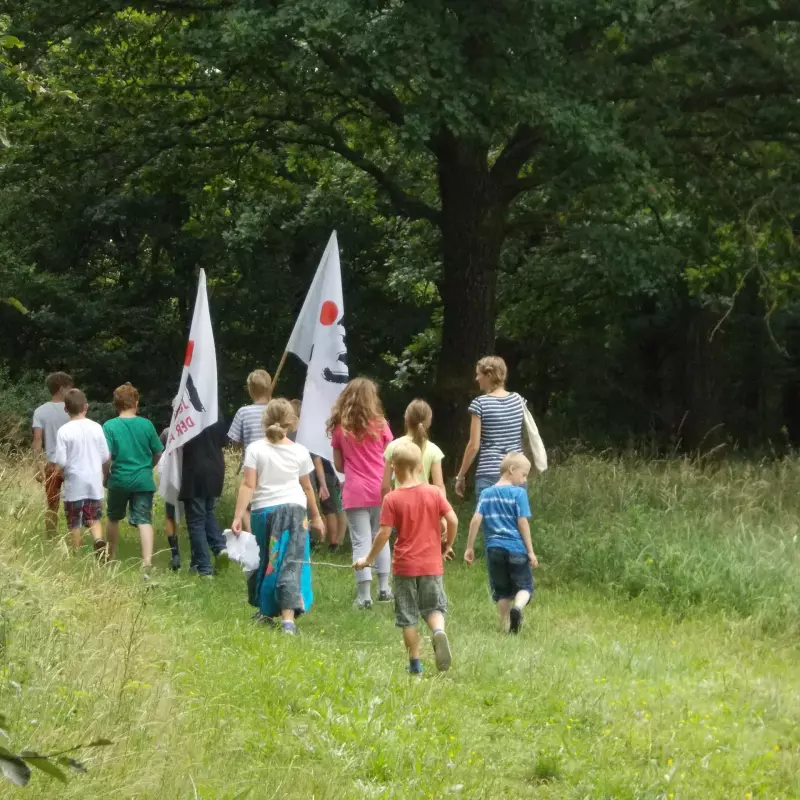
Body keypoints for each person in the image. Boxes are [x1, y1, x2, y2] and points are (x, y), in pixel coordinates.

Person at [354, 440, 458, 674]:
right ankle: (438, 632)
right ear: (421, 467)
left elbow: (383, 533)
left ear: (394, 470)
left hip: (404, 567)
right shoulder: (433, 492)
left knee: (408, 616)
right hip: (431, 564)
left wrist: (368, 559)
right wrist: (447, 543)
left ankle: (415, 664)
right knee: (434, 608)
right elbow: (453, 520)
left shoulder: (392, 498)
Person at [231, 399, 325, 634]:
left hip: (264, 513)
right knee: (291, 563)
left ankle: (264, 611)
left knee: (267, 562)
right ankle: (287, 621)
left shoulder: (255, 449)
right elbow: (307, 488)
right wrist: (317, 518)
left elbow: (248, 485)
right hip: (294, 512)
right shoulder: (300, 451)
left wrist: (238, 515)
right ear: (292, 423)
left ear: (265, 421)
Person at [329, 377, 393, 609]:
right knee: (381, 536)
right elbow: (390, 457)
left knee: (361, 542)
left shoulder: (340, 429)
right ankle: (385, 588)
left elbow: (338, 466)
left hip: (355, 490)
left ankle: (364, 596)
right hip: (381, 489)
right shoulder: (381, 424)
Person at [464, 452, 538, 634]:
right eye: (524, 474)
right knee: (525, 586)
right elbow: (522, 523)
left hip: (494, 549)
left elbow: (475, 520)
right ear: (512, 470)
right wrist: (530, 551)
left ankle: (505, 625)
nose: (525, 479)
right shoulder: (518, 494)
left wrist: (469, 547)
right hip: (516, 549)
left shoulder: (486, 493)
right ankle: (518, 608)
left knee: (502, 590)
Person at [103, 383, 164, 572]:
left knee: (113, 518)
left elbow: (106, 457)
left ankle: (110, 557)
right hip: (142, 480)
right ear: (136, 403)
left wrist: (106, 476)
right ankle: (147, 562)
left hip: (119, 479)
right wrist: (148, 467)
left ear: (116, 404)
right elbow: (158, 452)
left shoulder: (109, 426)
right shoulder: (146, 425)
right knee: (144, 520)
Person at [455, 356, 526, 503]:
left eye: (479, 374)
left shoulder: (480, 404)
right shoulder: (519, 401)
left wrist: (461, 476)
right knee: (516, 523)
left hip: (490, 475)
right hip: (517, 472)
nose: (476, 378)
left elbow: (474, 446)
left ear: (488, 375)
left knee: (492, 523)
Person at [53, 389, 110, 557]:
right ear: (86, 406)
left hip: (74, 483)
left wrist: (58, 471)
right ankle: (99, 540)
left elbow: (61, 461)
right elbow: (106, 455)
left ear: (65, 409)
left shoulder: (64, 431)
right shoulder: (97, 427)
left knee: (74, 520)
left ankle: (76, 552)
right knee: (94, 517)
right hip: (93, 481)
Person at [180, 411, 229, 577]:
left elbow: (178, 441)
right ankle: (220, 547)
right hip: (216, 467)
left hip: (194, 469)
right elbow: (224, 441)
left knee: (196, 521)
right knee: (207, 512)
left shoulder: (187, 412)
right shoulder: (216, 412)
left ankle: (204, 568)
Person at [228, 369, 273, 532]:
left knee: (247, 504)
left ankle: (252, 533)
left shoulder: (243, 412)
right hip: (274, 463)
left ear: (250, 390)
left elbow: (235, 442)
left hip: (251, 465)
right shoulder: (275, 411)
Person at [32, 371, 74, 537]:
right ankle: (74, 540)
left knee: (52, 505)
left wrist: (37, 465)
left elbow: (37, 441)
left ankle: (51, 539)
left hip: (51, 464)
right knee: (72, 504)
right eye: (70, 388)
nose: (72, 392)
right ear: (62, 389)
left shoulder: (40, 411)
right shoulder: (73, 410)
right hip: (71, 464)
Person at [311, 454, 348, 553]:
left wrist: (322, 484)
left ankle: (334, 543)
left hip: (328, 474)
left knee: (330, 510)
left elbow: (317, 461)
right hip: (339, 473)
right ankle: (337, 542)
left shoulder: (316, 442)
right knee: (338, 508)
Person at [159, 427, 182, 571]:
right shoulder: (197, 428)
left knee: (170, 515)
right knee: (195, 517)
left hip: (170, 475)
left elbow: (159, 451)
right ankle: (197, 554)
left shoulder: (167, 431)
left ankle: (175, 554)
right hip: (190, 473)